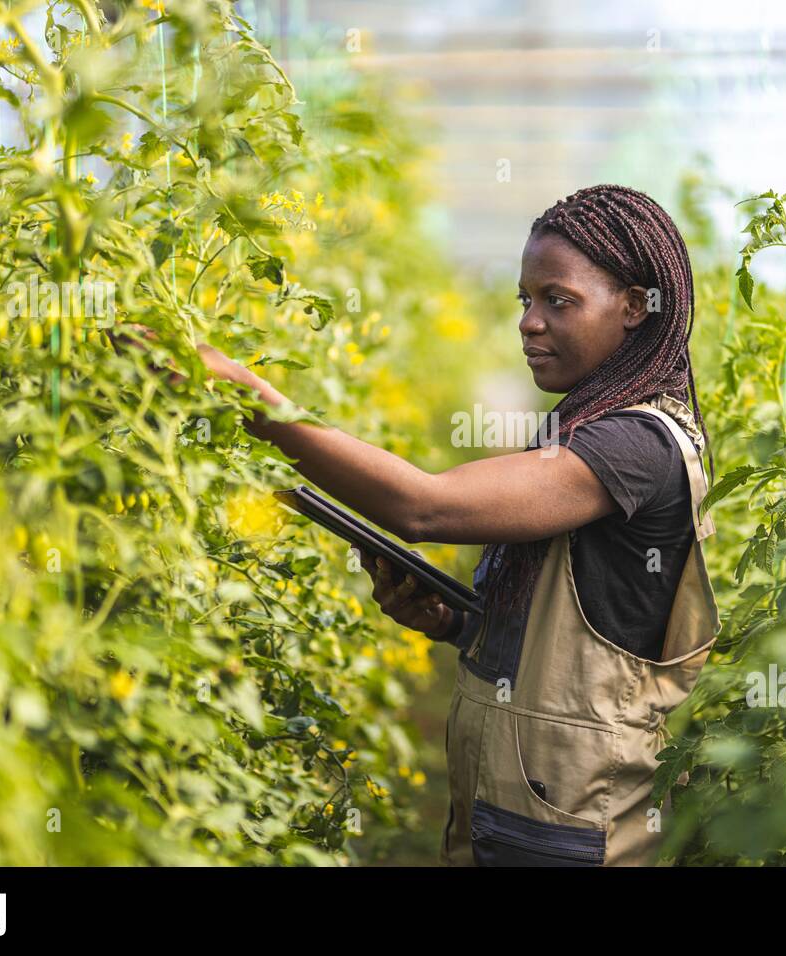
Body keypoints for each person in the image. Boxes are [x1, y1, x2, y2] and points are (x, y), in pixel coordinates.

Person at [198, 184, 719, 866]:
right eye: (524, 301)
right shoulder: (591, 426)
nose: (530, 322)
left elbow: (425, 508)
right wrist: (456, 624)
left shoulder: (635, 447)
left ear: (633, 307)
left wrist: (245, 396)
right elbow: (590, 647)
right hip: (529, 814)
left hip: (576, 829)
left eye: (558, 300)